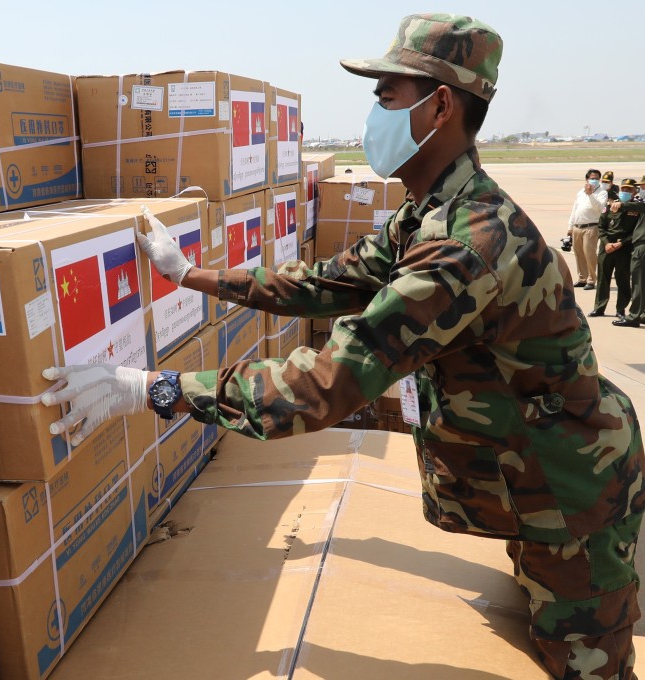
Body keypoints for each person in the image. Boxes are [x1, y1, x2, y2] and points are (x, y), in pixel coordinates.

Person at [42, 14, 644, 680]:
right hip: (531, 474)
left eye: (386, 96)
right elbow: (328, 281)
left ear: (440, 106)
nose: (373, 115)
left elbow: (324, 385)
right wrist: (191, 276)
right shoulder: (431, 212)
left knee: (586, 667)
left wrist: (152, 390)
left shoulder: (465, 244)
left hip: (569, 491)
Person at [591, 179, 641, 321]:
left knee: (622, 279)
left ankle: (620, 309)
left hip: (623, 248)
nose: (625, 192)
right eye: (623, 189)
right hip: (606, 247)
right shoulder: (609, 206)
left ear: (634, 191)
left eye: (629, 190)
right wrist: (607, 243)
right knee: (603, 278)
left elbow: (636, 231)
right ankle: (599, 307)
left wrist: (621, 243)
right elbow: (601, 227)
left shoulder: (636, 209)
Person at [566, 167, 607, 289]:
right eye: (592, 178)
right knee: (578, 253)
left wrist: (590, 195)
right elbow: (575, 210)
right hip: (577, 226)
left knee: (589, 254)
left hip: (591, 227)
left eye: (597, 179)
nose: (595, 180)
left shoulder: (602, 193)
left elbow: (600, 208)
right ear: (587, 179)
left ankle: (591, 280)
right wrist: (570, 226)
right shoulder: (580, 192)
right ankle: (582, 278)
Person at [614, 180, 645, 328]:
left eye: (644, 187)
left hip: (642, 246)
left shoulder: (641, 204)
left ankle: (633, 317)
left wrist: (622, 204)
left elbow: (640, 206)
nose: (641, 189)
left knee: (638, 282)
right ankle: (642, 313)